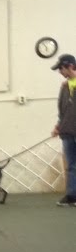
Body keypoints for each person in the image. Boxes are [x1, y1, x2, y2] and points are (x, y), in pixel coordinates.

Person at [51, 53, 76, 206]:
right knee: (71, 165)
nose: (60, 72)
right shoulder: (64, 87)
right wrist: (58, 126)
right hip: (67, 132)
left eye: (61, 68)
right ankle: (72, 196)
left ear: (70, 66)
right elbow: (62, 110)